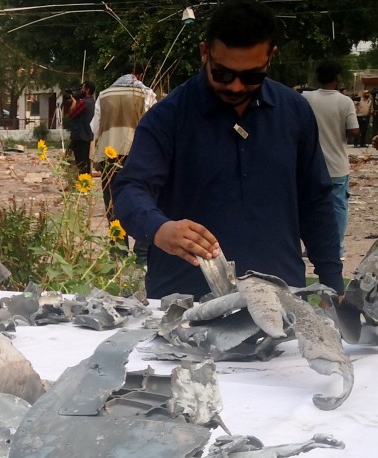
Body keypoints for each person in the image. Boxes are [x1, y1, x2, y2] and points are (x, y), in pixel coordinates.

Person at [113, 0, 343, 300]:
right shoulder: (167, 117)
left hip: (281, 299)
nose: (236, 86)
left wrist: (333, 283)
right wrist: (160, 229)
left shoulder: (294, 112)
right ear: (205, 53)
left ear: (270, 58)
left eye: (251, 77)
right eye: (222, 74)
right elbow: (130, 189)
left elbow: (316, 202)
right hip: (185, 306)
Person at [90, 62, 157, 263]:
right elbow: (153, 127)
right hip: (138, 155)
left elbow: (94, 128)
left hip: (109, 157)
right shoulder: (147, 94)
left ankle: (118, 250)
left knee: (112, 203)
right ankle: (142, 253)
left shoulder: (104, 95)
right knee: (143, 199)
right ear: (139, 74)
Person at [302, 61, 358, 257]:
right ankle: (337, 247)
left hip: (311, 166)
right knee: (338, 207)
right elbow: (354, 129)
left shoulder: (306, 98)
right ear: (336, 78)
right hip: (337, 166)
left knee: (310, 206)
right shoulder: (345, 101)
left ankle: (311, 247)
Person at [67, 81, 95, 175]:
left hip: (79, 135)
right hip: (87, 135)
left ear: (87, 90)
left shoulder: (83, 102)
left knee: (80, 162)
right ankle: (87, 183)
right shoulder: (92, 101)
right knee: (86, 161)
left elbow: (71, 114)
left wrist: (74, 102)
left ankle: (83, 183)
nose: (81, 90)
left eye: (82, 88)